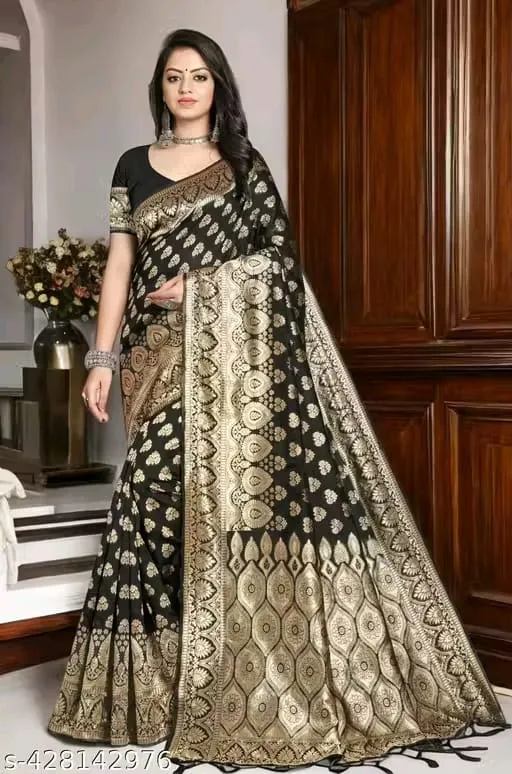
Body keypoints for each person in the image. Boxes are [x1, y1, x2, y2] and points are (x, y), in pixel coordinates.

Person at [48, 28, 507, 772]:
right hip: (155, 356)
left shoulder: (242, 166)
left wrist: (204, 287)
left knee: (213, 502)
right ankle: (149, 693)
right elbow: (120, 267)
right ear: (160, 87)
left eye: (199, 76)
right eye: (174, 76)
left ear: (217, 86)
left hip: (234, 363)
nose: (186, 88)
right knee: (147, 499)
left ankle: (227, 676)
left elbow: (279, 263)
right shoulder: (132, 165)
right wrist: (100, 359)